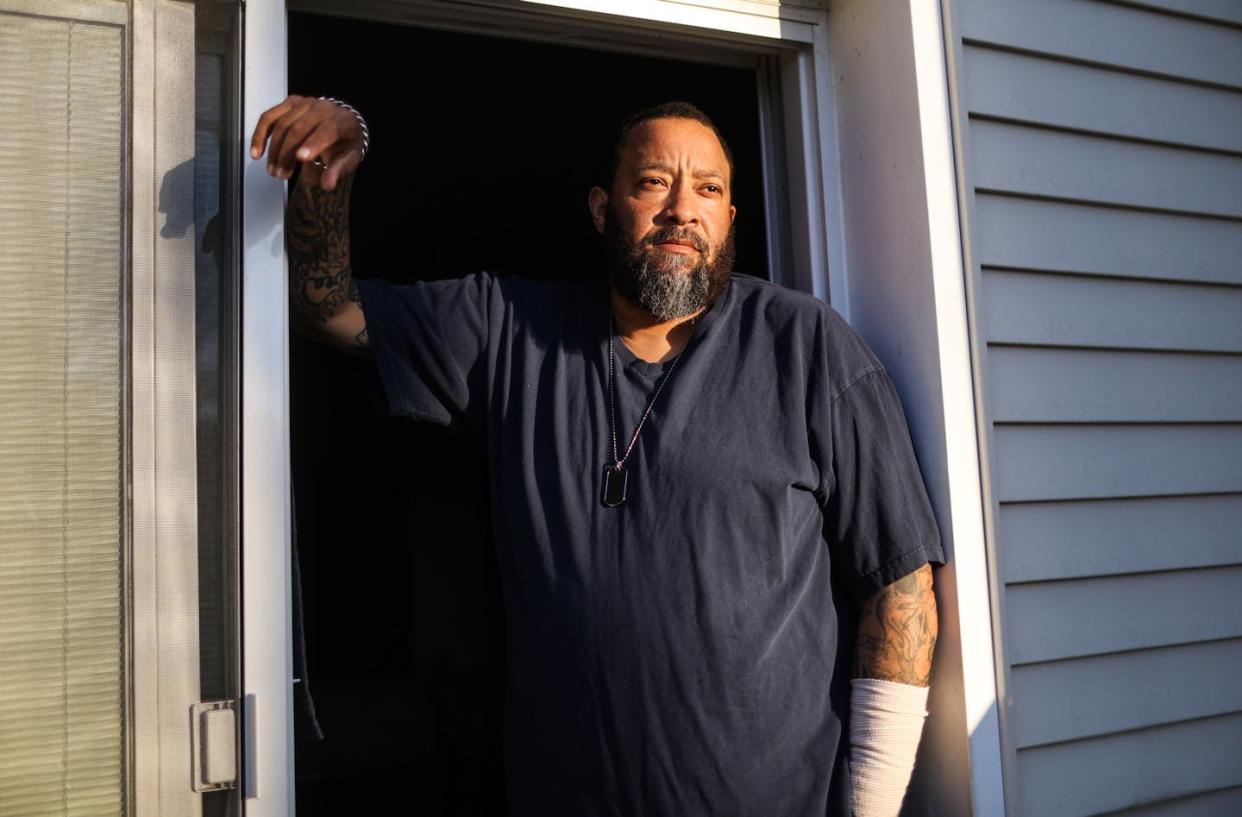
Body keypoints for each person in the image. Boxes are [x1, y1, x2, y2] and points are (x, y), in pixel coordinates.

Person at [252, 94, 942, 817]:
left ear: (730, 219)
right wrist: (335, 165)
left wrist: (869, 809)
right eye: (653, 182)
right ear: (601, 206)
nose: (683, 209)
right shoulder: (512, 330)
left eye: (709, 189)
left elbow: (898, 587)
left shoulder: (808, 348)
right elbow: (325, 309)